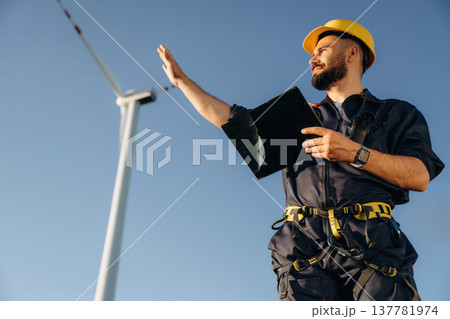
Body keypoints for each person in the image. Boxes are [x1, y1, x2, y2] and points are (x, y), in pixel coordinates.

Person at [157, 19, 444, 301]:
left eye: (322, 50)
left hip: (373, 250)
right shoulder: (299, 114)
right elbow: (228, 118)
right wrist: (182, 82)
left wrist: (355, 152)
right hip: (302, 256)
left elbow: (419, 176)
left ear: (352, 52)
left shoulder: (395, 113)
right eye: (312, 54)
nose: (312, 59)